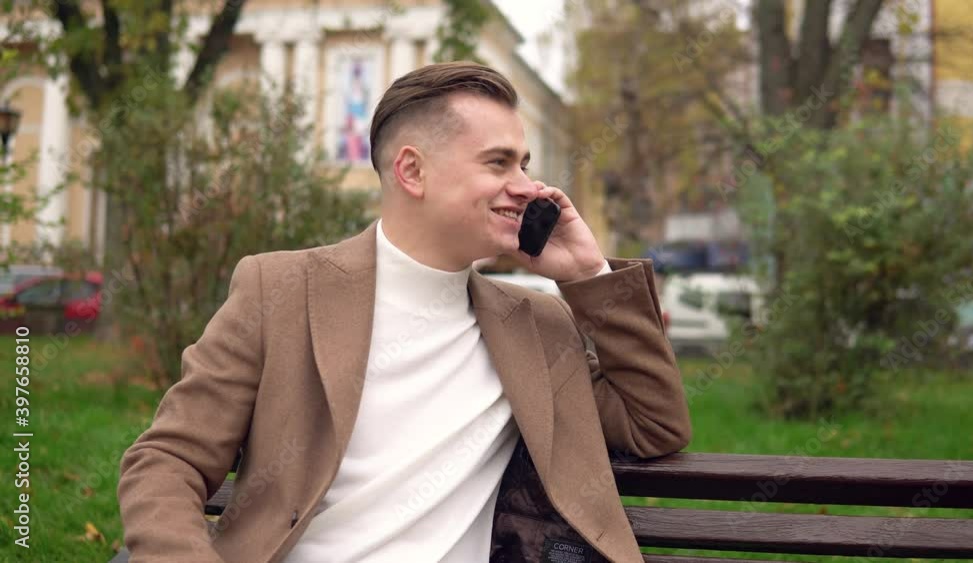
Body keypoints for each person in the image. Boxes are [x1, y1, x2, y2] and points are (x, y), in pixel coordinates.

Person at [117, 61, 690, 563]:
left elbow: (655, 425)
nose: (530, 188)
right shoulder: (282, 289)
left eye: (524, 164)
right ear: (412, 171)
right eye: (499, 164)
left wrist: (587, 276)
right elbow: (168, 459)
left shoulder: (535, 324)